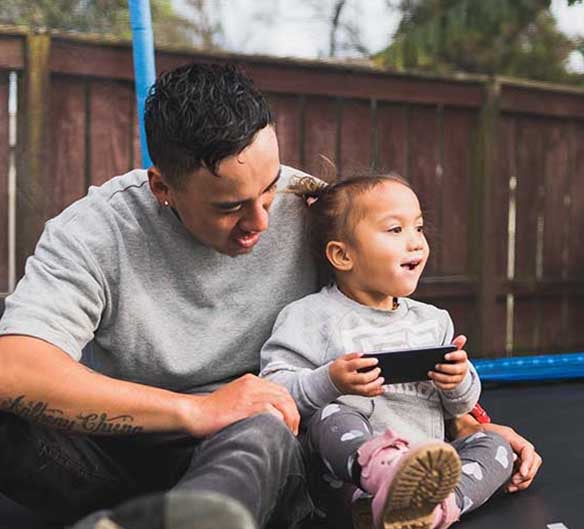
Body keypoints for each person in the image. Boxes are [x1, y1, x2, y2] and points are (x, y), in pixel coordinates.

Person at [0, 63, 540, 529]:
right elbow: (15, 368)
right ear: (163, 188)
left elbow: (383, 313)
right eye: (229, 207)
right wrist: (197, 409)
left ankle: (195, 516)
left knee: (265, 425)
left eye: (268, 186)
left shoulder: (312, 206)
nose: (260, 221)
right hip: (112, 458)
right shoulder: (96, 230)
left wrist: (470, 422)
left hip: (248, 458)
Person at [259, 174, 518, 529]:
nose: (415, 243)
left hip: (428, 463)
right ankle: (381, 484)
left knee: (496, 444)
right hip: (344, 477)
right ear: (342, 254)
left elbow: (459, 407)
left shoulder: (433, 321)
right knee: (331, 415)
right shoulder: (309, 317)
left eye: (419, 228)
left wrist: (458, 380)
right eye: (395, 230)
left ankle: (435, 507)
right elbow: (274, 391)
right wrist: (329, 381)